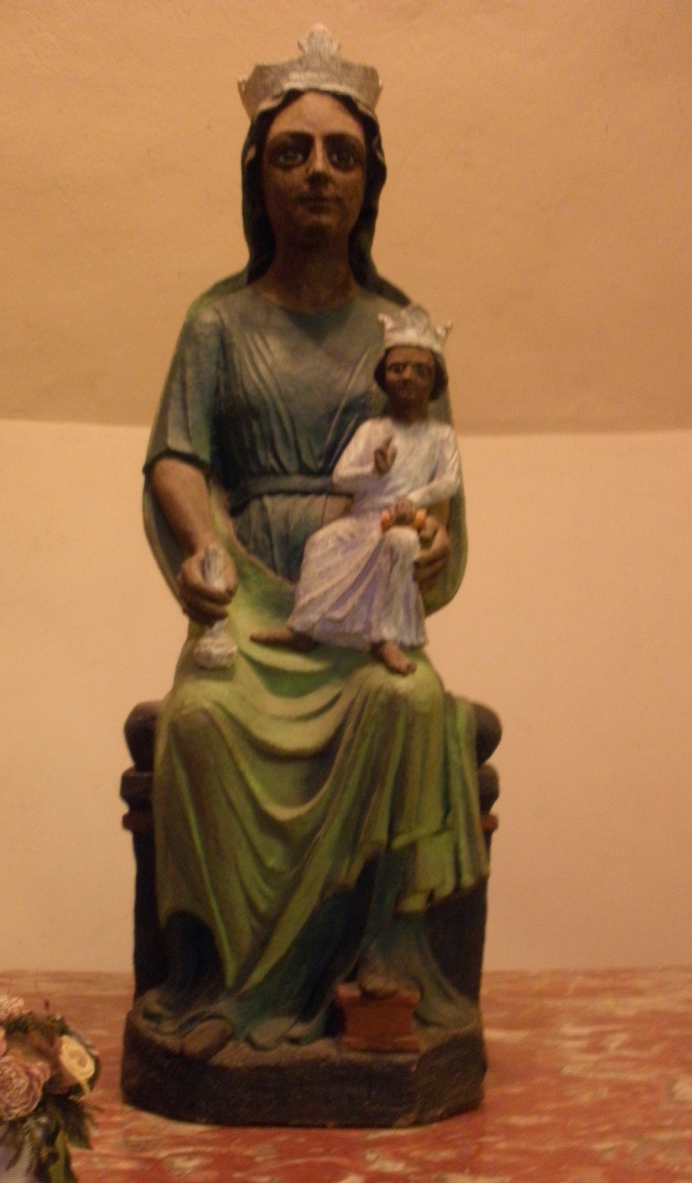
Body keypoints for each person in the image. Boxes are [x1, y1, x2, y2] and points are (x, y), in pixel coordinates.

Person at [141, 29, 488, 1060]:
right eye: (292, 152)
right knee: (198, 722)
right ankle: (222, 982)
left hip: (364, 602)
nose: (319, 172)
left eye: (343, 153)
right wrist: (200, 547)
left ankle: (379, 968)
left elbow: (435, 476)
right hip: (253, 606)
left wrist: (431, 545)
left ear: (371, 179)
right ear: (259, 177)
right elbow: (177, 456)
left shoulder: (402, 331)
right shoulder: (217, 321)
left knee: (412, 702)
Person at [252, 305, 461, 676]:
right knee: (323, 543)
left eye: (420, 371)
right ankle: (306, 628)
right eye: (398, 368)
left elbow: (449, 481)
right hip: (366, 519)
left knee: (399, 544)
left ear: (434, 383)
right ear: (384, 377)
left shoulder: (440, 436)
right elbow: (341, 478)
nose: (407, 377)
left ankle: (386, 638)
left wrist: (412, 501)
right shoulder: (372, 431)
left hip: (406, 522)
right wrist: (373, 470)